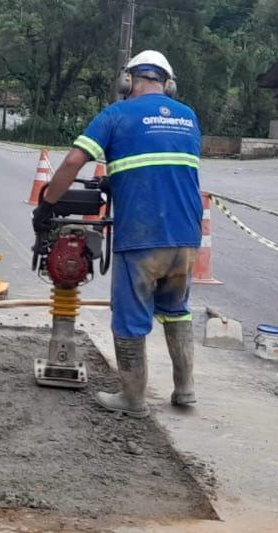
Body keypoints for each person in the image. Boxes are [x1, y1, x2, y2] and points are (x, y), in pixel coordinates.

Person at [36, 51, 201, 417]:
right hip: (187, 235)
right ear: (168, 83)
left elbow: (74, 162)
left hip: (142, 236)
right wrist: (120, 178)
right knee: (176, 310)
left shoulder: (115, 114)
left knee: (130, 318)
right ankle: (185, 388)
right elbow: (162, 165)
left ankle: (132, 398)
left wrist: (48, 202)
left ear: (127, 81)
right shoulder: (188, 117)